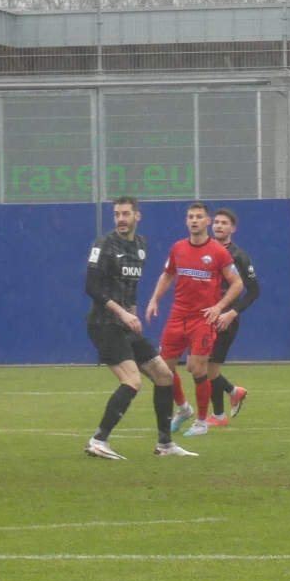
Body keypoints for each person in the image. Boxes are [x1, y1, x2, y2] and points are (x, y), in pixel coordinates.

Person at [84, 196, 185, 459]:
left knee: (164, 376)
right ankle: (98, 441)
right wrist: (123, 314)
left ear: (137, 216)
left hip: (125, 324)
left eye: (126, 214)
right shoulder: (104, 244)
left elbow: (130, 287)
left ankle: (165, 444)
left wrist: (133, 313)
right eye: (117, 214)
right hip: (103, 323)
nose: (121, 219)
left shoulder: (141, 245)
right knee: (132, 381)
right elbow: (91, 287)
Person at [145, 202, 244, 442]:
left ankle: (201, 422)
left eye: (199, 217)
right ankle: (183, 408)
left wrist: (219, 307)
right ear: (186, 221)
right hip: (178, 316)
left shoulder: (218, 252)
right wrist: (154, 299)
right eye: (190, 217)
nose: (194, 221)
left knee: (198, 369)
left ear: (207, 221)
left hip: (202, 319)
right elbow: (168, 274)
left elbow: (238, 283)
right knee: (163, 369)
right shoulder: (178, 248)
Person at [205, 207, 260, 425]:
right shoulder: (204, 251)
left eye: (224, 223)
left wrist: (231, 313)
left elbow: (254, 291)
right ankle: (232, 395)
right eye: (216, 222)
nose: (219, 226)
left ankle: (219, 414)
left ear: (233, 229)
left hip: (225, 320)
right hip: (205, 316)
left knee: (208, 368)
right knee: (200, 366)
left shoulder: (239, 256)